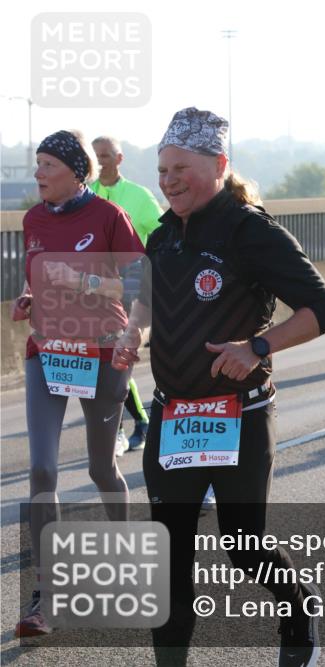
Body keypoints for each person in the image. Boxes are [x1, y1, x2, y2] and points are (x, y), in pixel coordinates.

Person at [112, 107, 325, 666]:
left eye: (180, 169)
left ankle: (298, 614)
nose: (168, 181)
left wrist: (257, 347)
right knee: (170, 561)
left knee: (244, 546)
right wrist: (134, 331)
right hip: (174, 418)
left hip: (240, 415)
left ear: (218, 166)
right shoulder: (164, 233)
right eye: (162, 170)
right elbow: (146, 296)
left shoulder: (250, 231)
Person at [14, 130, 144, 637]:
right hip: (47, 350)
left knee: (100, 467)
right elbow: (36, 275)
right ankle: (44, 596)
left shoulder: (109, 216)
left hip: (102, 350)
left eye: (47, 164)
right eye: (37, 164)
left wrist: (82, 281)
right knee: (42, 469)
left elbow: (139, 285)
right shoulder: (33, 219)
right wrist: (30, 297)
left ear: (76, 171)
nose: (38, 173)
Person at [91, 135, 163, 453]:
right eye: (95, 156)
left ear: (119, 159)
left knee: (113, 360)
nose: (99, 161)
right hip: (91, 293)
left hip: (129, 292)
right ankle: (138, 422)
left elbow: (164, 235)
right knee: (101, 362)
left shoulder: (138, 196)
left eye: (105, 155)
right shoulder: (85, 195)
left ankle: (120, 428)